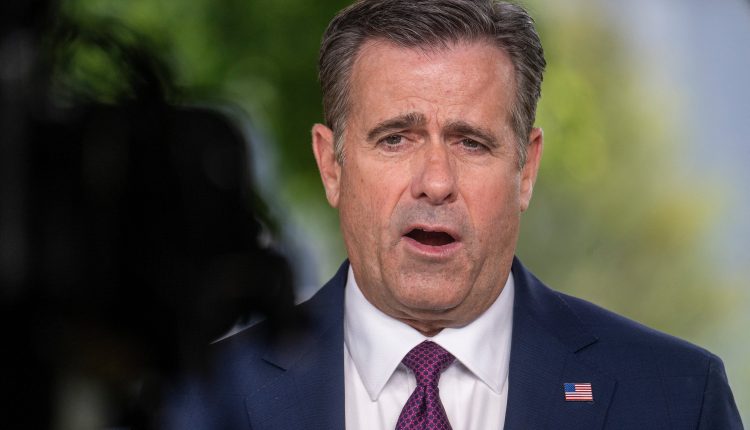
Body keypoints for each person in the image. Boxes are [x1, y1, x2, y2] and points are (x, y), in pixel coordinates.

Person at [167, 1, 744, 429]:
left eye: (471, 142)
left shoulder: (677, 398)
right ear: (331, 165)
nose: (436, 182)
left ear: (525, 168)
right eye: (395, 139)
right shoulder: (196, 403)